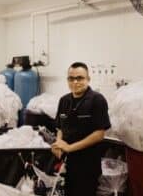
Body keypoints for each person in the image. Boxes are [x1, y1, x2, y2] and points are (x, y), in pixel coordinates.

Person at [51, 62, 111, 196]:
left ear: (88, 79)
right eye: (71, 78)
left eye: (80, 78)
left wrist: (69, 148)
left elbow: (99, 134)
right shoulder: (64, 100)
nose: (75, 82)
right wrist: (58, 144)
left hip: (87, 163)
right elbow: (60, 127)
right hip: (68, 162)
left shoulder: (97, 100)